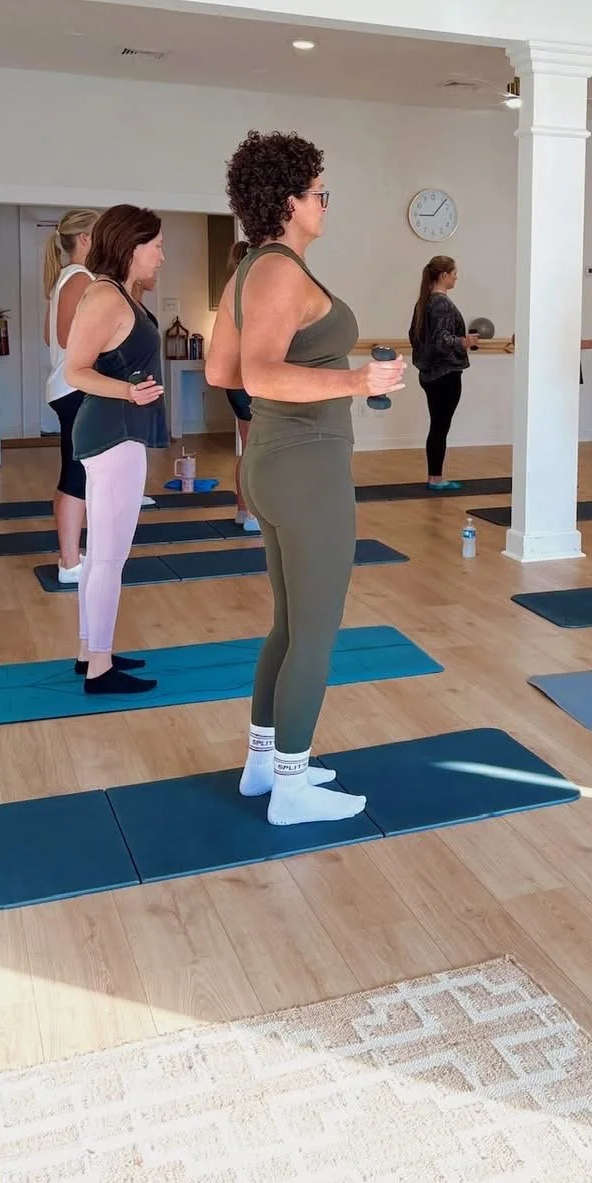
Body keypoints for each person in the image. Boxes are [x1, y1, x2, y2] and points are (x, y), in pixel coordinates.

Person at [206, 130, 404, 826]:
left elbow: (219, 371)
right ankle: (291, 788)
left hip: (273, 463)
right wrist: (354, 379)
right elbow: (256, 372)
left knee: (290, 626)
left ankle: (265, 765)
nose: (326, 203)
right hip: (306, 466)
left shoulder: (252, 269)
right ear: (288, 200)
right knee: (316, 632)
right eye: (320, 192)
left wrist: (333, 379)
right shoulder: (280, 271)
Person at [64, 206, 167, 693]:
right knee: (107, 557)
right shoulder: (104, 296)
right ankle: (100, 668)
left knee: (102, 553)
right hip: (112, 435)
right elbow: (75, 370)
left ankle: (92, 653)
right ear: (132, 247)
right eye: (157, 246)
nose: (162, 256)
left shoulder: (123, 293)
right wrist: (128, 392)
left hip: (120, 433)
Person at [43, 209, 98, 583]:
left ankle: (71, 555)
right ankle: (69, 562)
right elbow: (65, 337)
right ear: (83, 239)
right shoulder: (79, 277)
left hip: (68, 387)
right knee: (77, 474)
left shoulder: (69, 278)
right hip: (75, 388)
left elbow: (51, 339)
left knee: (75, 471)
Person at [408, 255, 479, 490]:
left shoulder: (424, 302)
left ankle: (435, 476)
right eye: (454, 273)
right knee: (440, 425)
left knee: (438, 425)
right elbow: (441, 341)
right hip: (444, 374)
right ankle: (436, 478)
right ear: (444, 275)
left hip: (430, 374)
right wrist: (464, 342)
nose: (457, 277)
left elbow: (416, 337)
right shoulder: (440, 303)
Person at [223, 240, 260, 532]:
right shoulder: (248, 295)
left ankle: (243, 510)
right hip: (248, 379)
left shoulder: (230, 293)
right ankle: (250, 513)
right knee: (256, 449)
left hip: (236, 381)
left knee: (249, 447)